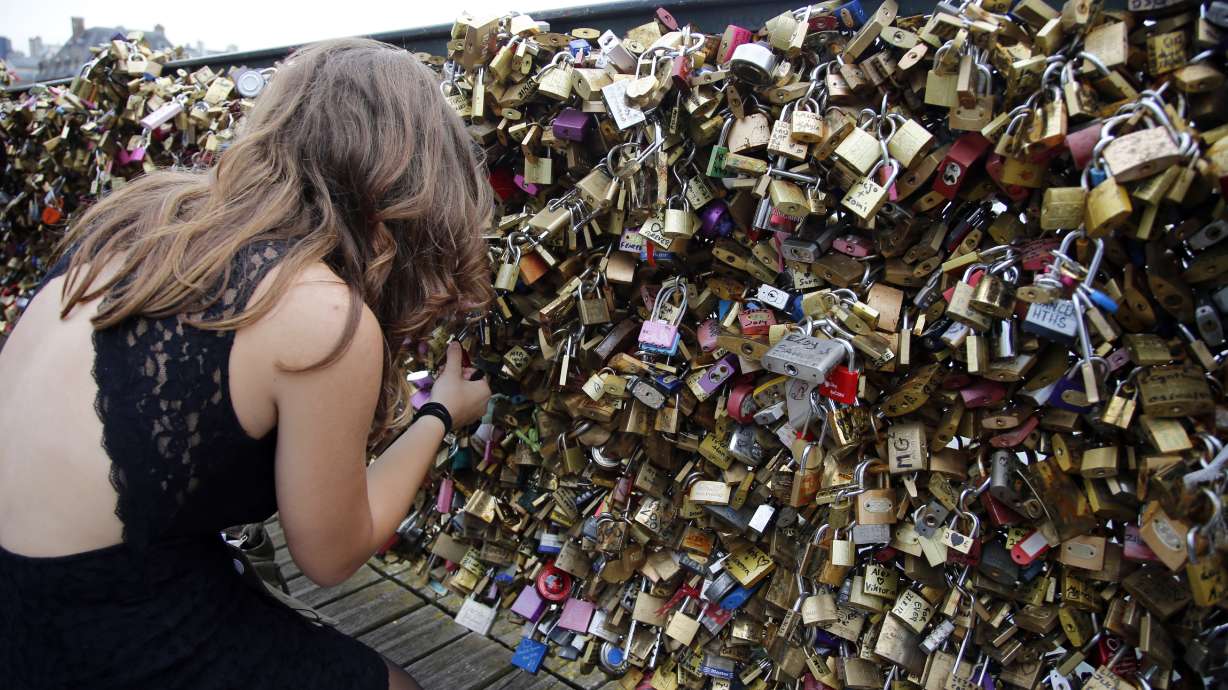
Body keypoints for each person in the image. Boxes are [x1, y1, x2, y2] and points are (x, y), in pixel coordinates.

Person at [0, 38, 493, 690]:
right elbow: (332, 556)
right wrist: (440, 413)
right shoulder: (321, 311)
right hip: (89, 626)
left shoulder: (141, 220)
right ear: (414, 183)